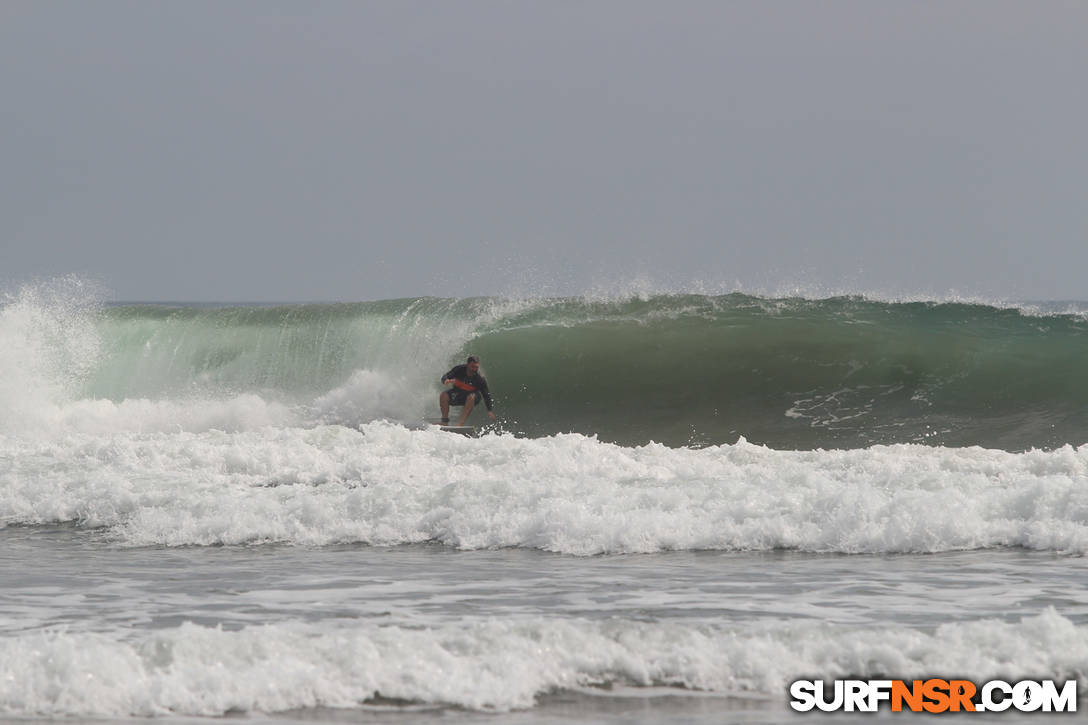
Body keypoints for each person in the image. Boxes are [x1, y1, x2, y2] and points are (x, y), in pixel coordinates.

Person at [439, 355, 496, 426]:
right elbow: (445, 376)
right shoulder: (459, 369)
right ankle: (444, 421)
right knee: (444, 395)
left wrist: (489, 410)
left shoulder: (480, 377)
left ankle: (460, 424)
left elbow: (486, 394)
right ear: (468, 364)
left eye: (476, 367)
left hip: (473, 397)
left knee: (471, 397)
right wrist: (445, 380)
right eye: (472, 367)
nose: (474, 369)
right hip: (459, 394)